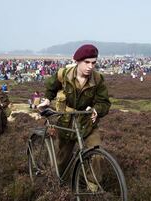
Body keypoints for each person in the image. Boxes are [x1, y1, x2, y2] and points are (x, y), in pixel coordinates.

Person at [38, 44, 111, 190]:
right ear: (77, 61)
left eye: (93, 62)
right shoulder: (64, 74)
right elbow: (51, 87)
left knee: (97, 156)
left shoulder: (98, 79)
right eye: (87, 62)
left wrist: (97, 110)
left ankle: (92, 187)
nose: (90, 66)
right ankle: (59, 185)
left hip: (87, 123)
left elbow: (104, 102)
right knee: (62, 160)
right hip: (66, 122)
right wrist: (47, 99)